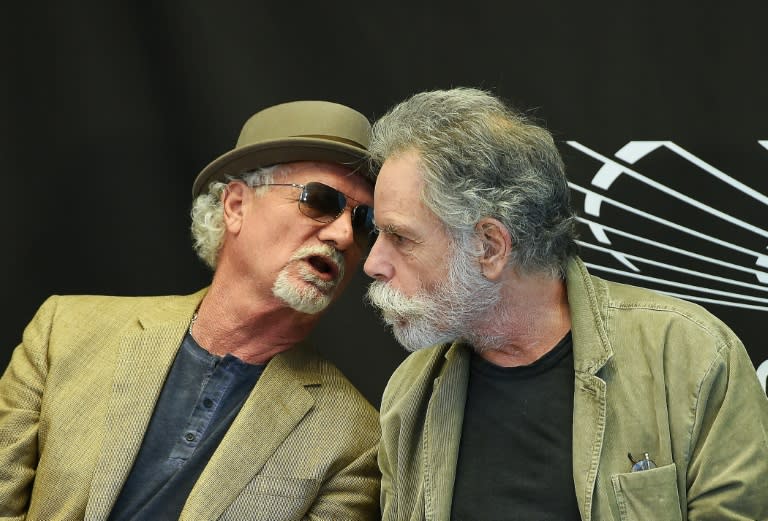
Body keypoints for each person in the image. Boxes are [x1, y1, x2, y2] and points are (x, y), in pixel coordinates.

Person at [363, 87, 768, 520]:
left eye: (401, 237)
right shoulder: (412, 393)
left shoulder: (691, 357)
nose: (373, 263)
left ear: (490, 245)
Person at [0, 100, 381, 519]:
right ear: (236, 207)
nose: (345, 234)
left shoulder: (355, 441)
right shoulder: (65, 330)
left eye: (364, 222)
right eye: (320, 200)